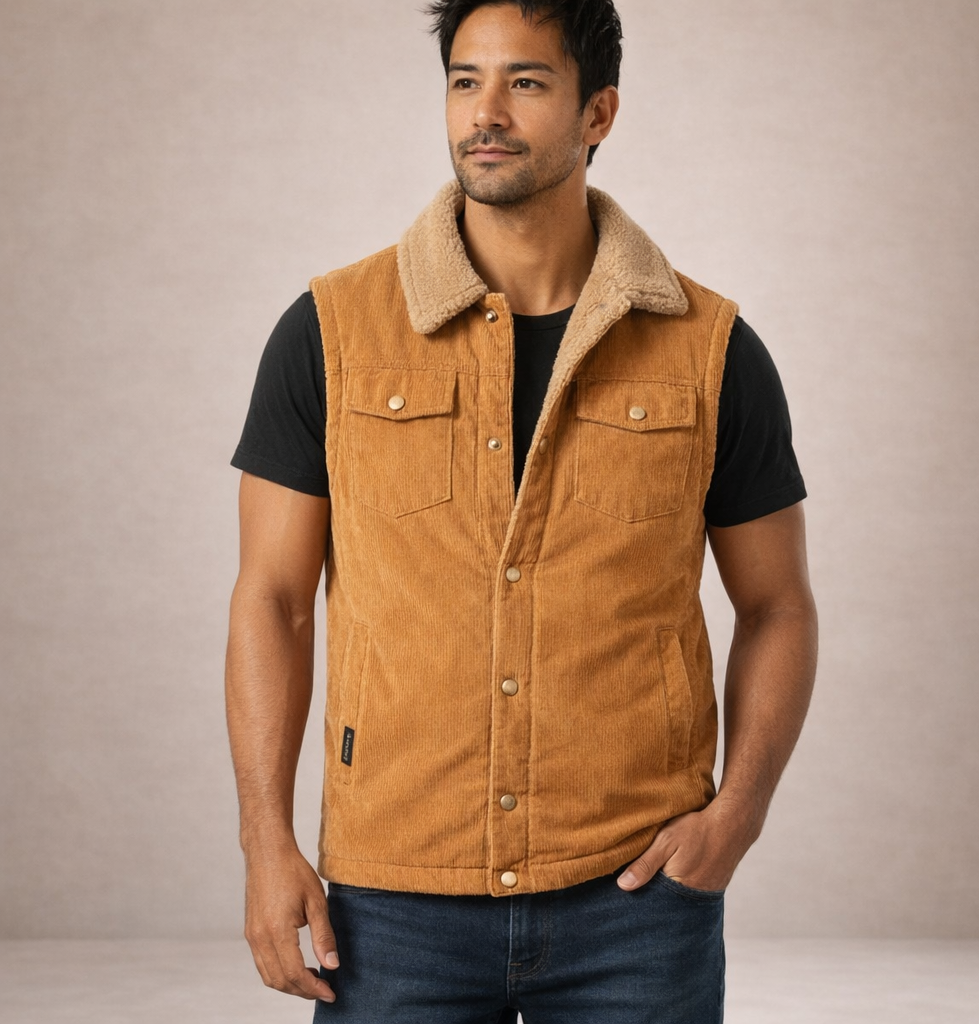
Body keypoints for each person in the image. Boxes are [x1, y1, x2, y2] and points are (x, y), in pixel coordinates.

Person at [225, 1, 818, 1020]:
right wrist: (265, 843)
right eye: (465, 81)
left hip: (636, 896)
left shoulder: (711, 348)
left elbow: (777, 606)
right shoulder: (330, 331)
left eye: (526, 83)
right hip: (391, 898)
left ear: (599, 113)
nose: (485, 113)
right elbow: (272, 600)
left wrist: (738, 816)